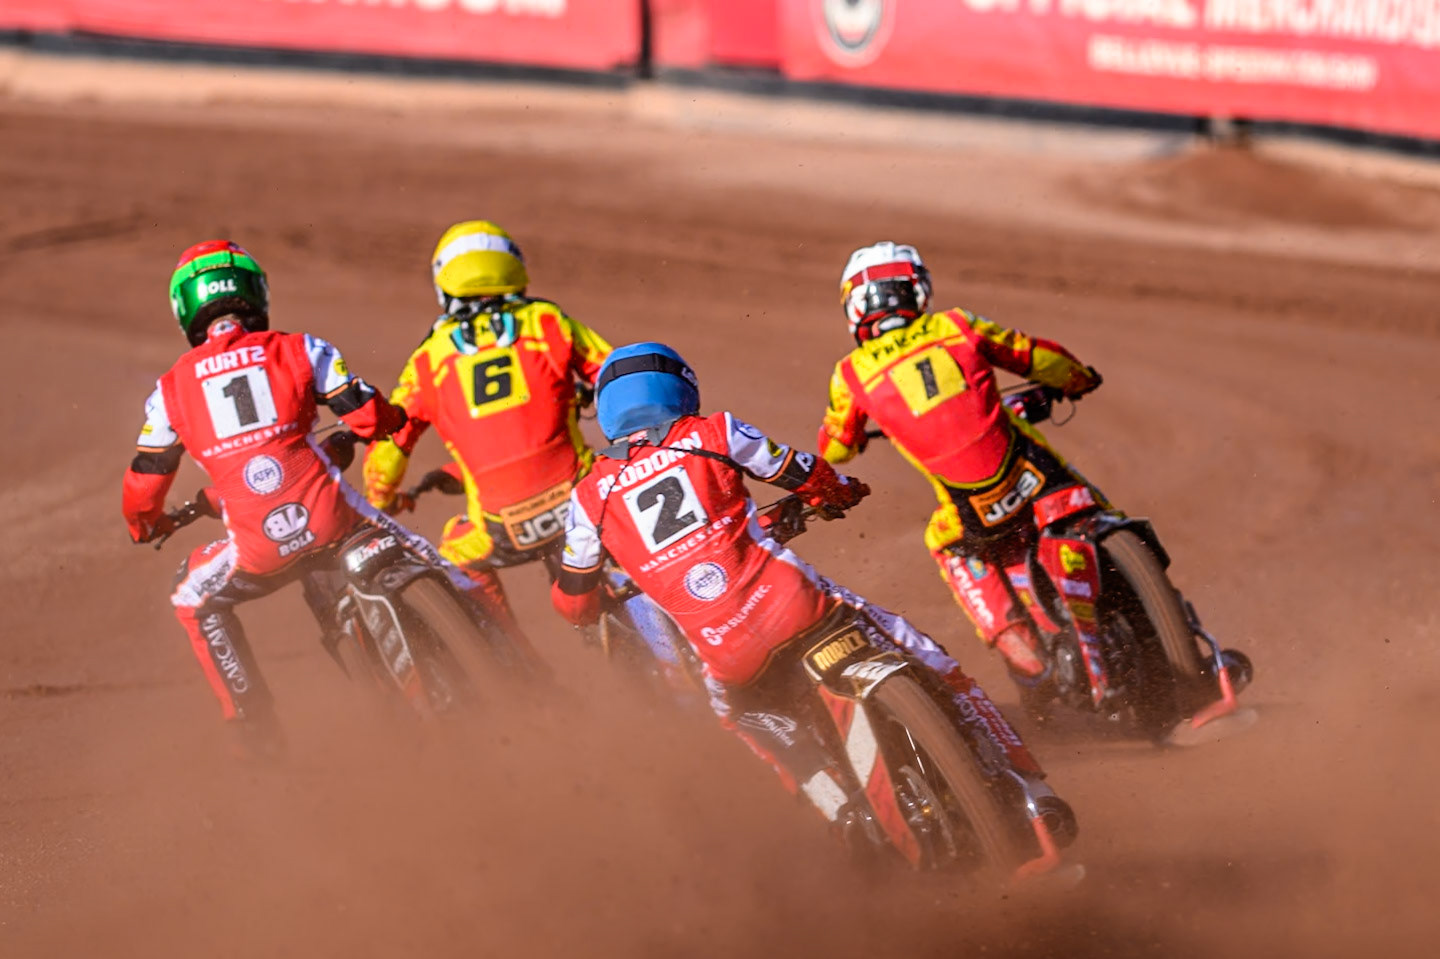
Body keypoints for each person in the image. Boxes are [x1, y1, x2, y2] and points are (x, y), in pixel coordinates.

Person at [550, 342, 1071, 845]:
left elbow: (574, 600)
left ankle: (838, 808)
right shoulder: (713, 432)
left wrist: (593, 608)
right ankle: (1032, 791)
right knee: (928, 657)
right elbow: (801, 471)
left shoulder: (588, 497)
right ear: (679, 390)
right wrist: (836, 493)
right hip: (796, 605)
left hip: (728, 655)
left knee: (741, 720)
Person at [122, 240, 467, 748]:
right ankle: (513, 669)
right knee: (454, 572)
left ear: (185, 309)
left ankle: (255, 734)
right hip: (336, 520)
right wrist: (388, 421)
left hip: (255, 551)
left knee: (192, 598)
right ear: (256, 293)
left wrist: (145, 524)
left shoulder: (169, 391)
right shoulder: (301, 347)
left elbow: (145, 484)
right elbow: (368, 417)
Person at [816, 241, 1103, 688]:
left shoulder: (851, 374)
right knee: (1087, 500)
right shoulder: (956, 325)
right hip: (1033, 476)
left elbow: (836, 448)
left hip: (971, 509)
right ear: (917, 290)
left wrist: (851, 439)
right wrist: (1078, 378)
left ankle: (1011, 636)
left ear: (855, 308)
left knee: (943, 540)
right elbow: (1033, 356)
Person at [363, 220, 612, 641]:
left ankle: (516, 668)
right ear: (513, 267)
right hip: (583, 498)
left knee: (456, 553)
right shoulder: (546, 322)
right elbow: (617, 372)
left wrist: (382, 500)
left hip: (500, 528)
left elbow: (388, 449)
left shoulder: (428, 361)